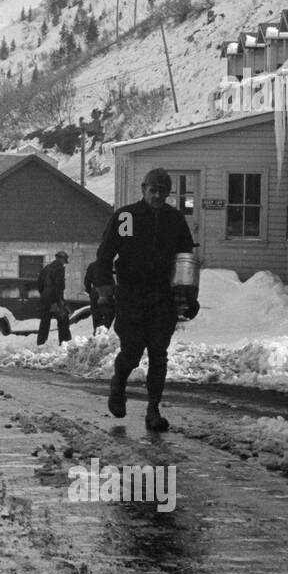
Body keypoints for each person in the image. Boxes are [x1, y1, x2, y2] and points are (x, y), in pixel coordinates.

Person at [93, 167, 198, 432]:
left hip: (162, 298)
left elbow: (185, 262)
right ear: (143, 189)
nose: (157, 196)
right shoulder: (126, 217)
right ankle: (118, 385)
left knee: (159, 355)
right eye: (153, 190)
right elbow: (105, 255)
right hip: (131, 296)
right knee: (132, 351)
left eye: (163, 192)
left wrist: (189, 296)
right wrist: (105, 291)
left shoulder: (175, 220)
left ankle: (153, 410)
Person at [36, 250, 72, 346]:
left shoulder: (46, 268)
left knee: (44, 322)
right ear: (61, 259)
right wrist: (59, 301)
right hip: (55, 298)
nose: (64, 263)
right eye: (64, 261)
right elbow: (58, 286)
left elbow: (39, 284)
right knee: (63, 319)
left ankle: (41, 342)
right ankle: (65, 342)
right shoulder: (59, 268)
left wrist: (44, 294)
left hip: (45, 299)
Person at [84, 256, 113, 331]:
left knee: (96, 316)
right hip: (106, 293)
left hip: (95, 292)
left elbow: (87, 281)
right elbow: (111, 281)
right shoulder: (108, 266)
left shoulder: (92, 265)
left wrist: (90, 292)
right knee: (108, 315)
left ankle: (96, 334)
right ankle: (103, 333)